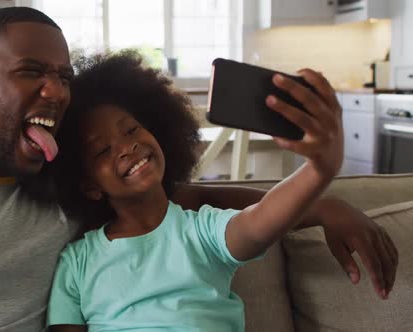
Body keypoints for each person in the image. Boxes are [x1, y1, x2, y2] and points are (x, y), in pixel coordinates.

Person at [0, 7, 397, 332]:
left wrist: (323, 197)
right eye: (31, 72)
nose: (55, 91)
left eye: (63, 75)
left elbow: (182, 201)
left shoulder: (58, 188)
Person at [44, 50, 352, 331]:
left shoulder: (201, 231)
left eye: (132, 129)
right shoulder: (76, 262)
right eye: (102, 151)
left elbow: (261, 222)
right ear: (89, 186)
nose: (127, 147)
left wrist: (320, 169)